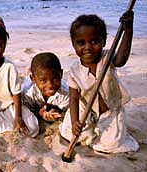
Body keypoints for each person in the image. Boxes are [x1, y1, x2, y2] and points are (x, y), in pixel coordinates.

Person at [59, 12, 139, 153]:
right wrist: (74, 122)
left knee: (110, 145)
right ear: (73, 45)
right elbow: (73, 98)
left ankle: (107, 131)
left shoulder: (108, 57)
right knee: (68, 133)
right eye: (81, 43)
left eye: (94, 41)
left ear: (104, 41)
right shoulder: (74, 70)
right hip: (87, 109)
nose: (88, 47)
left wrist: (128, 31)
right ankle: (93, 128)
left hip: (110, 109)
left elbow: (121, 60)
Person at [21, 52, 69, 122]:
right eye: (43, 80)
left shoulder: (66, 93)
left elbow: (64, 112)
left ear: (61, 74)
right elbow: (27, 111)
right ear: (33, 79)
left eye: (55, 78)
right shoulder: (27, 93)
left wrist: (57, 112)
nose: (50, 85)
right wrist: (39, 113)